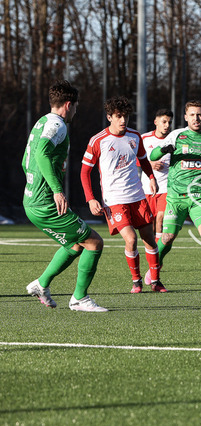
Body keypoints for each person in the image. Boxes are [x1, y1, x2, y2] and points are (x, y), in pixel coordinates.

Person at [22, 80, 107, 312]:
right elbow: (41, 154)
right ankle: (79, 299)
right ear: (68, 104)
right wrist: (56, 190)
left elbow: (25, 161)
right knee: (94, 243)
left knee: (75, 245)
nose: (76, 111)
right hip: (45, 203)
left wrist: (35, 184)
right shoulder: (58, 125)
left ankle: (41, 284)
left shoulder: (41, 122)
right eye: (76, 106)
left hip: (32, 200)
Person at [80, 96, 167, 293]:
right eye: (118, 116)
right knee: (131, 239)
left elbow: (143, 160)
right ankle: (136, 281)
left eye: (126, 116)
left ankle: (155, 281)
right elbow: (85, 171)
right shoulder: (98, 140)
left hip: (137, 197)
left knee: (149, 238)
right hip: (114, 200)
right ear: (109, 117)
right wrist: (91, 198)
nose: (123, 120)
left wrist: (151, 177)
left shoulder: (134, 136)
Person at [148, 100, 201, 288]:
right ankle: (153, 269)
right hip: (176, 197)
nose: (196, 118)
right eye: (192, 115)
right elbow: (152, 156)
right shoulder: (176, 136)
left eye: (199, 114)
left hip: (200, 196)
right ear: (185, 117)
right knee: (167, 237)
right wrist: (163, 149)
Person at [140, 108, 174, 242]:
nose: (167, 125)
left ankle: (158, 250)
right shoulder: (144, 138)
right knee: (150, 224)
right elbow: (133, 158)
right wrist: (150, 164)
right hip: (148, 188)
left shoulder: (174, 139)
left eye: (169, 122)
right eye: (164, 122)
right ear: (155, 122)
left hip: (166, 187)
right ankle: (152, 249)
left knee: (161, 219)